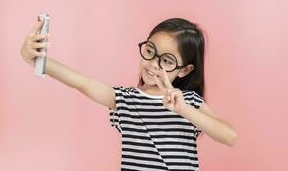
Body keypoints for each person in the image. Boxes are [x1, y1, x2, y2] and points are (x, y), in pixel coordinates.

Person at [20, 17, 237, 171]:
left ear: (184, 70)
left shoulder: (188, 102)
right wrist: (36, 60)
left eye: (167, 61)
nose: (153, 64)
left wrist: (184, 109)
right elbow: (81, 82)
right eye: (150, 51)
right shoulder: (125, 99)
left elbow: (229, 137)